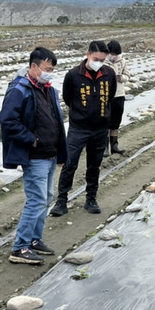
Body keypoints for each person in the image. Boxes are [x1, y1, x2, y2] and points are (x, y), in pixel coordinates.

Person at [0, 47, 67, 265]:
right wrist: (31, 139)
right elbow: (8, 120)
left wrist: (60, 152)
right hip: (35, 155)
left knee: (46, 198)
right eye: (47, 69)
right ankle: (20, 247)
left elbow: (56, 122)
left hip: (49, 153)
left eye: (53, 69)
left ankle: (35, 240)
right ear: (34, 67)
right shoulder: (20, 89)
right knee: (36, 200)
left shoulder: (48, 89)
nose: (50, 73)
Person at [50, 41, 117, 216]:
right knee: (69, 163)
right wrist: (81, 113)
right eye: (96, 58)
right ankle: (61, 200)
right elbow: (67, 97)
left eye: (102, 60)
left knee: (94, 165)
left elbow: (110, 96)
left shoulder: (109, 74)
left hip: (100, 128)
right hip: (78, 128)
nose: (99, 62)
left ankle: (91, 199)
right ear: (88, 54)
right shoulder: (73, 75)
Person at [105, 39, 131, 155]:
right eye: (112, 54)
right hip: (106, 96)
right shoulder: (103, 62)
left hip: (119, 94)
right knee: (105, 121)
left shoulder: (123, 61)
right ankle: (104, 147)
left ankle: (114, 146)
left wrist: (122, 78)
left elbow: (127, 75)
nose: (114, 56)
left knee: (116, 121)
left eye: (116, 54)